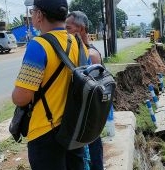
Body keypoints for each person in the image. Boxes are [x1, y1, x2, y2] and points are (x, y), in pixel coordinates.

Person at [12, 0, 89, 169]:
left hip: (45, 131)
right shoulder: (78, 43)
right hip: (73, 127)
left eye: (33, 12)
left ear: (39, 15)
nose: (32, 15)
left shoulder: (38, 45)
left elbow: (21, 98)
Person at [65, 11, 104, 170]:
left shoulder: (91, 55)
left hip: (88, 120)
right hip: (81, 120)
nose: (64, 31)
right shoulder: (76, 52)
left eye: (67, 28)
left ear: (80, 29)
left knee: (91, 161)